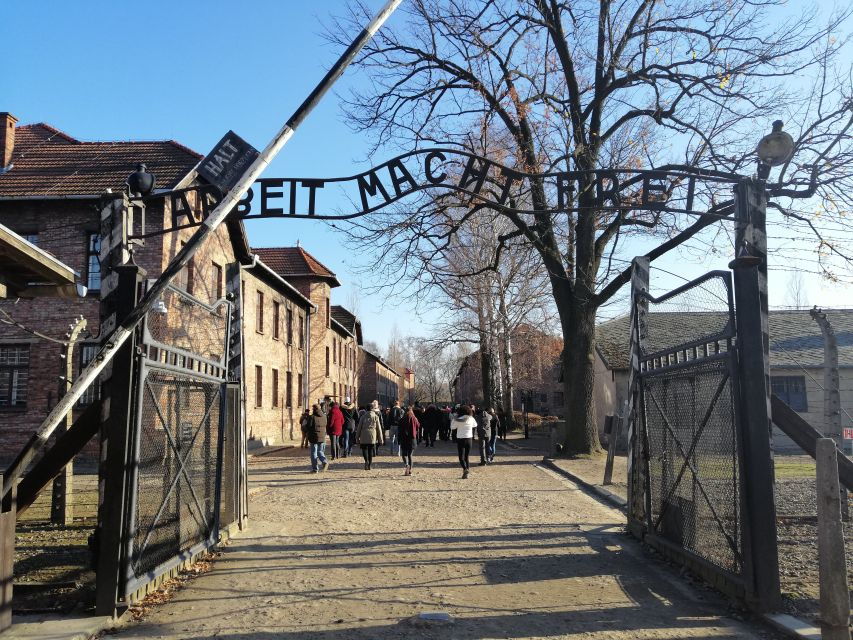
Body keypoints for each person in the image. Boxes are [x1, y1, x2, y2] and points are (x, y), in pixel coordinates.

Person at [450, 404, 477, 479]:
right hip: (469, 439)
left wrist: (454, 419)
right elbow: (475, 425)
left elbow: (452, 427)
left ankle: (465, 469)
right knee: (466, 457)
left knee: (461, 457)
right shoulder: (471, 418)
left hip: (461, 439)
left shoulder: (458, 419)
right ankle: (467, 473)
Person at [356, 400, 385, 470]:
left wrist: (357, 437)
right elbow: (379, 428)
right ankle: (369, 464)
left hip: (363, 435)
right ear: (372, 408)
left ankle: (366, 461)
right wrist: (381, 439)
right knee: (370, 450)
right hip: (373, 435)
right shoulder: (375, 416)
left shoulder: (363, 417)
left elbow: (359, 427)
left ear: (366, 409)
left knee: (364, 449)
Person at [306, 404, 329, 473]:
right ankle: (324, 461)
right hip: (322, 436)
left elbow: (308, 426)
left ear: (314, 409)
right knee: (320, 451)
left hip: (314, 437)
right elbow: (325, 425)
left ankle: (315, 469)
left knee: (314, 452)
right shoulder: (324, 416)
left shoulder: (312, 417)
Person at [398, 406, 420, 475]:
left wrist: (399, 439)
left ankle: (406, 465)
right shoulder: (414, 419)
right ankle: (410, 470)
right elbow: (418, 426)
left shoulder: (402, 419)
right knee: (410, 455)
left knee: (404, 454)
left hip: (404, 439)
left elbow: (400, 430)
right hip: (412, 439)